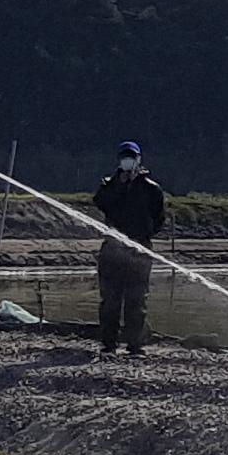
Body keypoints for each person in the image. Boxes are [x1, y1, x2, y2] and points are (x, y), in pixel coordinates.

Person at [90, 139, 168, 355]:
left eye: (132, 157)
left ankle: (135, 345)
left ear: (139, 160)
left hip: (140, 250)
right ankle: (109, 344)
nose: (128, 161)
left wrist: (143, 237)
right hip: (112, 250)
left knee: (137, 300)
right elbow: (100, 202)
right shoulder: (109, 185)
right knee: (110, 300)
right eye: (125, 157)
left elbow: (159, 217)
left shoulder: (151, 189)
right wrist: (120, 184)